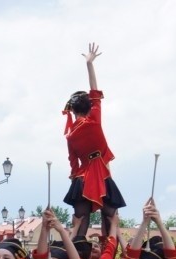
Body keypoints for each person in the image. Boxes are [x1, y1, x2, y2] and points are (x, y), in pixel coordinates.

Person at [62, 42, 126, 237]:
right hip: (102, 174)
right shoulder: (94, 119)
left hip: (81, 178)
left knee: (81, 222)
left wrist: (76, 178)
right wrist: (90, 64)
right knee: (111, 219)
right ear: (89, 106)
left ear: (72, 110)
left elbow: (73, 165)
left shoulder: (70, 135)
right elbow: (95, 91)